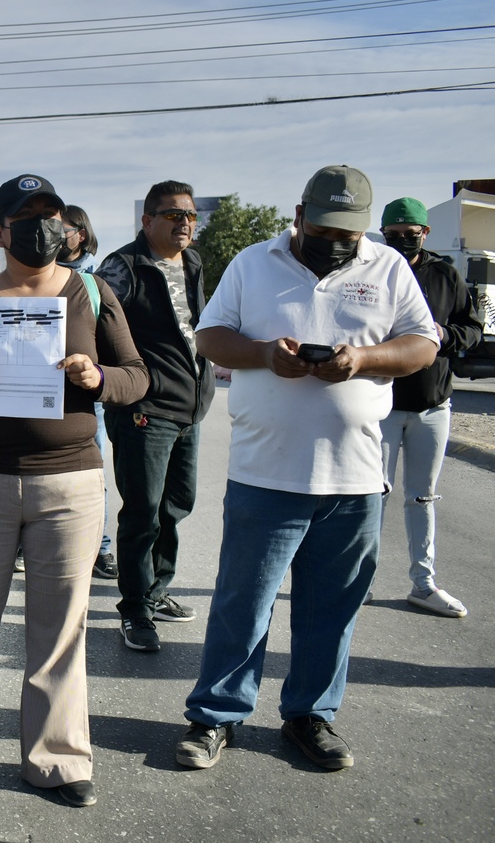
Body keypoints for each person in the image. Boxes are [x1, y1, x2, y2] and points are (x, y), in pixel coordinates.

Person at [176, 165, 438, 772]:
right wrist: (266, 355)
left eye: (349, 233)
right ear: (298, 215)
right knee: (243, 605)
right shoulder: (252, 263)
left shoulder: (388, 268)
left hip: (354, 479)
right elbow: (211, 337)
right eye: (325, 229)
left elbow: (423, 343)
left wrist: (365, 358)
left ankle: (311, 718)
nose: (337, 242)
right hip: (265, 473)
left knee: (331, 610)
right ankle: (215, 716)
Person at [0, 175, 149, 808]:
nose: (43, 226)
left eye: (51, 214)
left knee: (60, 629)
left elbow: (137, 378)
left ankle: (57, 760)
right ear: (0, 232)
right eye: (26, 217)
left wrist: (98, 376)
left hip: (70, 483)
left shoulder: (93, 294)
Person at [96, 180, 215, 653]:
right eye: (172, 215)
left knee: (175, 506)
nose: (184, 222)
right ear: (147, 221)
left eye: (189, 215)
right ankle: (135, 611)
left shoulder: (194, 262)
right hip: (145, 409)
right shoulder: (122, 267)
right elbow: (96, 329)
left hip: (189, 408)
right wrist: (121, 385)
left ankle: (157, 589)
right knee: (142, 513)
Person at [377, 197, 483, 617]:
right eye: (392, 235)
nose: (402, 241)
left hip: (432, 407)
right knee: (372, 497)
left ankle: (423, 583)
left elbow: (472, 328)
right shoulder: (372, 271)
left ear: (425, 233)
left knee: (422, 497)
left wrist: (443, 334)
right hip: (382, 404)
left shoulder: (444, 274)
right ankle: (356, 582)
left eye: (410, 234)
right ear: (381, 235)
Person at [57, 204, 116, 580]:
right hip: (39, 388)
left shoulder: (99, 280)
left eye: (62, 228)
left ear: (81, 233)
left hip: (86, 391)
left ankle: (100, 548)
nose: (55, 235)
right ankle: (23, 544)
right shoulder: (40, 275)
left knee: (90, 471)